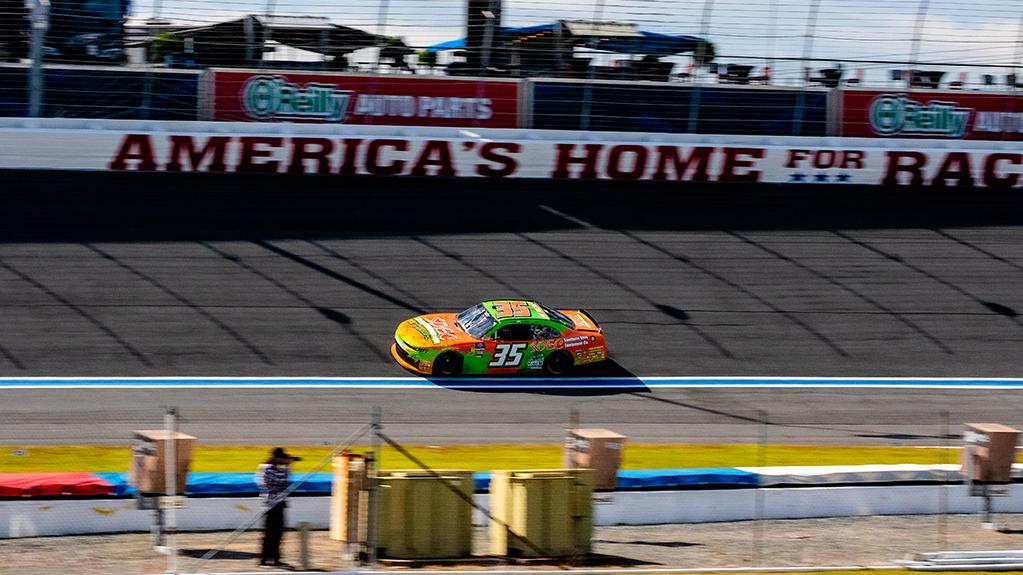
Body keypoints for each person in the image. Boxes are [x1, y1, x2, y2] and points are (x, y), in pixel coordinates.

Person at [258, 447, 301, 569]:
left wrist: (287, 464)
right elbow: (281, 480)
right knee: (269, 534)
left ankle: (276, 559)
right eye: (282, 458)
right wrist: (288, 466)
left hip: (279, 504)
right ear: (277, 458)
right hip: (271, 505)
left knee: (279, 534)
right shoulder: (267, 468)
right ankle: (264, 559)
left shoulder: (275, 468)